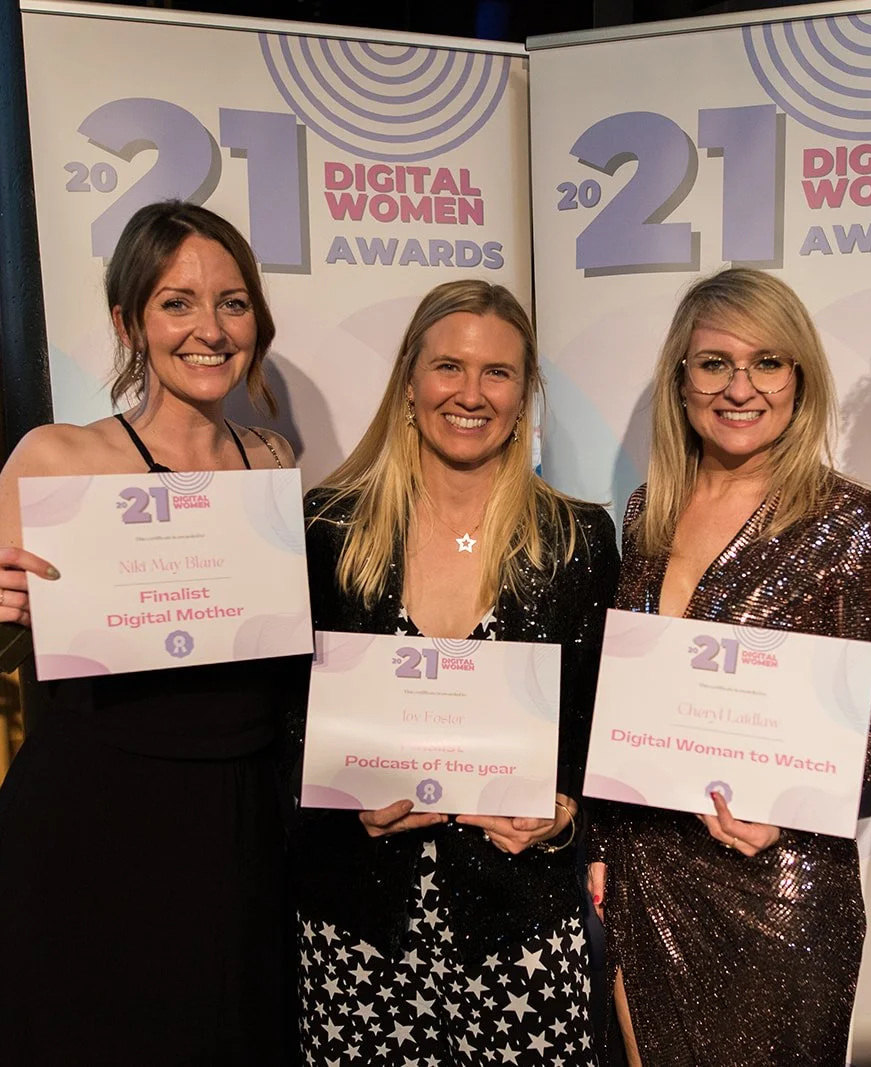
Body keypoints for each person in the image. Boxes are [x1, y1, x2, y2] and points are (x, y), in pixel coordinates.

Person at [0, 201, 301, 1065]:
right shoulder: (58, 459)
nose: (210, 329)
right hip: (96, 817)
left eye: (232, 302)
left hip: (241, 817)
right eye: (177, 303)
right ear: (127, 323)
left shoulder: (273, 460)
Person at [294, 280, 618, 1066]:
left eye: (497, 372)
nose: (470, 394)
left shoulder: (576, 540)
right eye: (448, 367)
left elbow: (599, 731)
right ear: (410, 381)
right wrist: (345, 802)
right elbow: (285, 724)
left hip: (520, 928)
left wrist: (564, 813)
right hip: (358, 929)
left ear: (523, 392)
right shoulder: (329, 528)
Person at [589, 268, 871, 1066]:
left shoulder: (855, 522)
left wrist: (790, 811)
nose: (741, 387)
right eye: (714, 363)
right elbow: (625, 694)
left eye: (767, 362)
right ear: (681, 380)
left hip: (780, 878)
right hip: (649, 867)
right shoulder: (648, 512)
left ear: (800, 377)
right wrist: (600, 840)